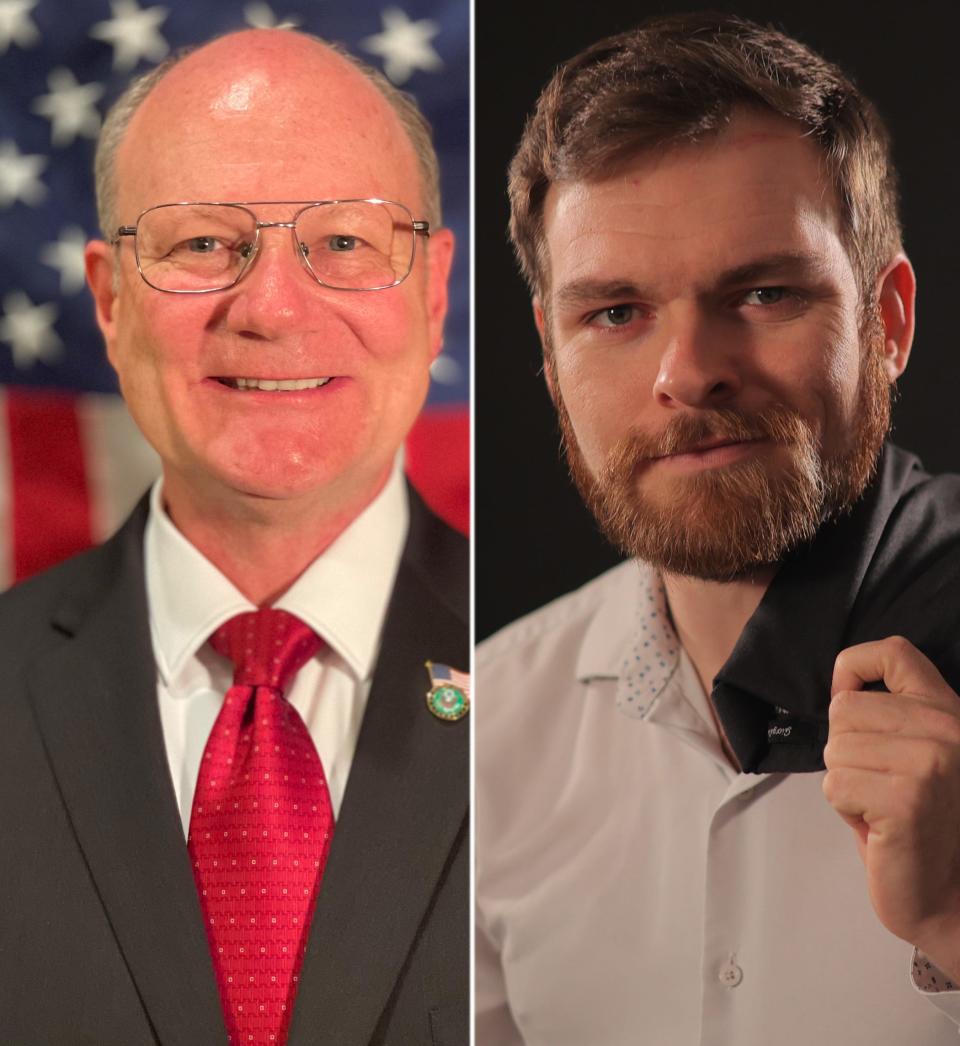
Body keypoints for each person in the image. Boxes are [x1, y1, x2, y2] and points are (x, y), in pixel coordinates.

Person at [477, 13, 960, 1044]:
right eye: (615, 313)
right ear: (552, 362)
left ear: (891, 322)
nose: (689, 372)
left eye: (765, 292)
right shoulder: (483, 740)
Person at [0, 28, 468, 1046]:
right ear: (112, 300)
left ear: (434, 294)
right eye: (203, 242)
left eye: (345, 241)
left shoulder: (555, 671)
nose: (269, 306)